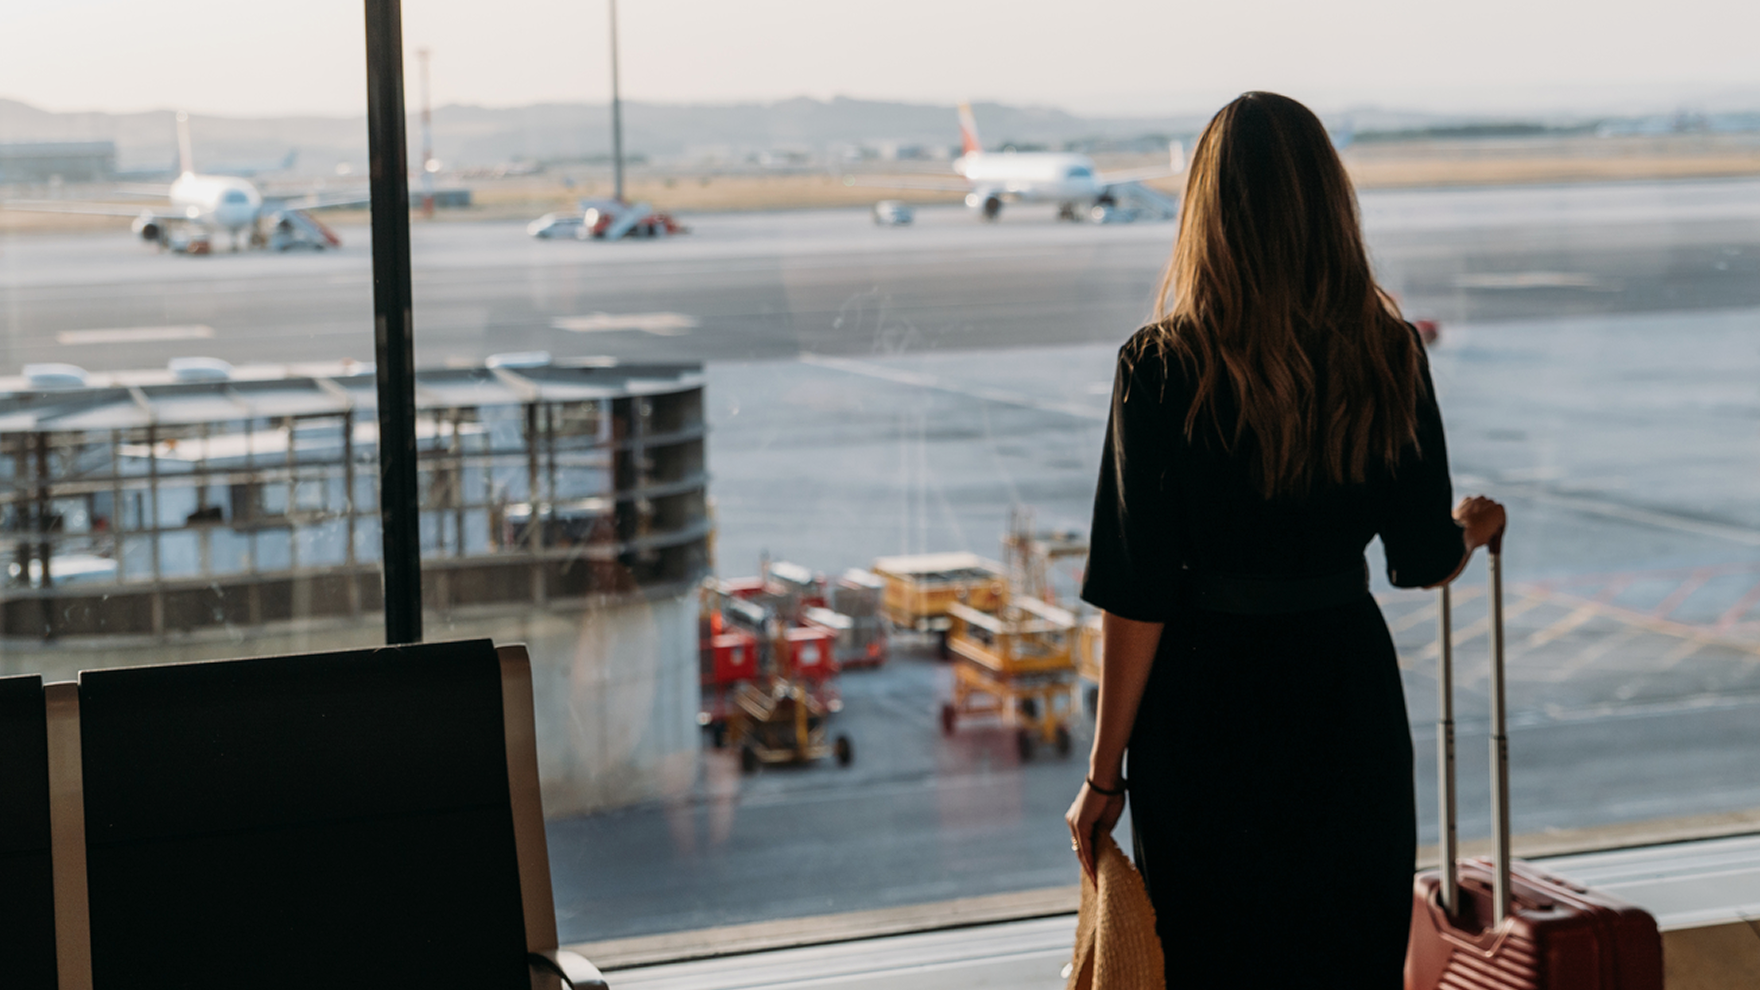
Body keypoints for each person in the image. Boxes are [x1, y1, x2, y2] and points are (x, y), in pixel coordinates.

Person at [1064, 91, 1505, 988]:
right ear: (1329, 204)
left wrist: (1104, 775)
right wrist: (1473, 524)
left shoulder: (1157, 367)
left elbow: (1136, 593)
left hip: (1204, 714)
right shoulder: (1389, 351)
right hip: (1345, 703)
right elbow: (1421, 560)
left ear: (1205, 212)